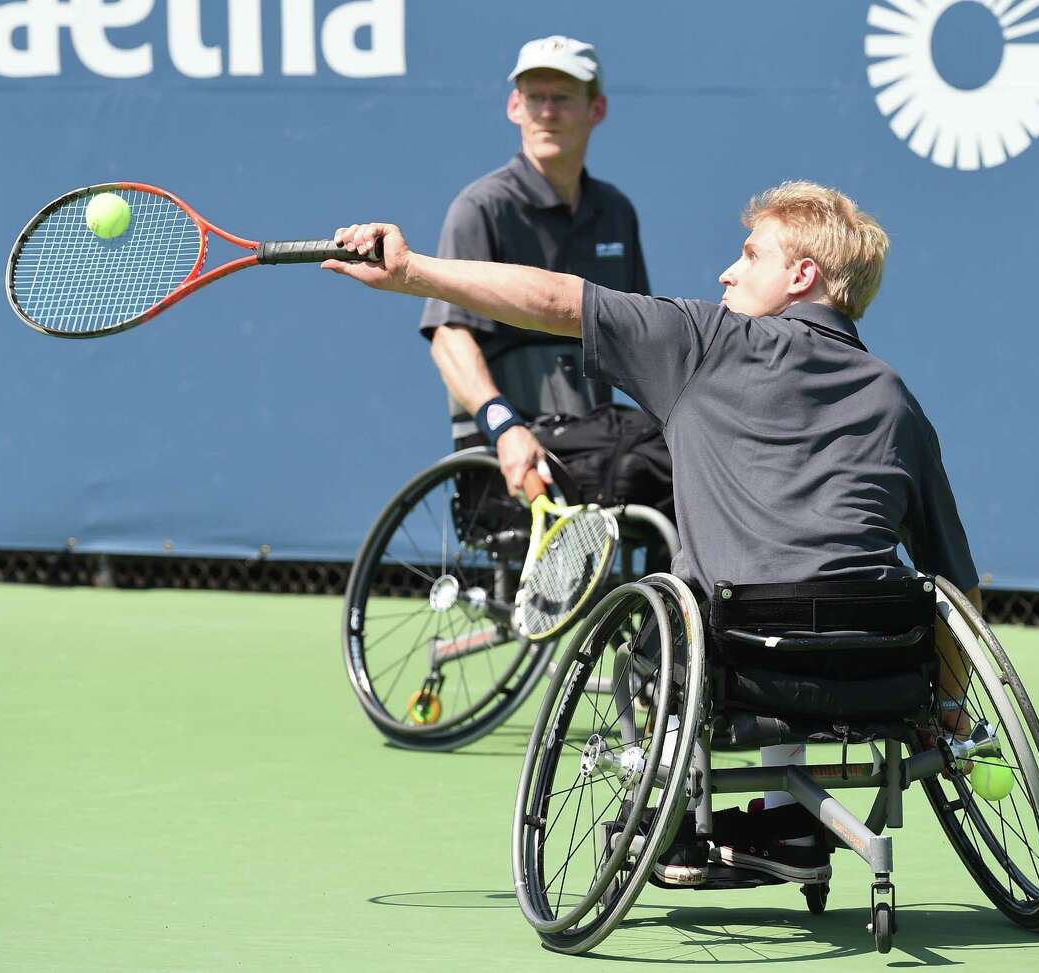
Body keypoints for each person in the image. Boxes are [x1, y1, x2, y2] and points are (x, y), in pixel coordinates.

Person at [321, 180, 981, 886]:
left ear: (801, 276)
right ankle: (787, 824)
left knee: (656, 631)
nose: (728, 271)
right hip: (877, 673)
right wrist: (947, 703)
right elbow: (959, 589)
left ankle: (674, 825)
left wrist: (412, 271)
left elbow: (552, 300)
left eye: (749, 254)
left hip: (738, 662)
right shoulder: (896, 399)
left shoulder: (703, 341)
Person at [420, 35, 650, 496]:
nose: (547, 112)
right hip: (508, 444)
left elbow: (641, 336)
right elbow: (449, 336)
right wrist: (504, 427)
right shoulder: (481, 207)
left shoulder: (616, 210)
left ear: (596, 110)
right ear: (514, 107)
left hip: (599, 439)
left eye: (562, 98)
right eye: (534, 98)